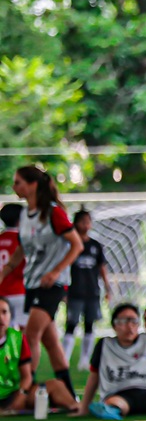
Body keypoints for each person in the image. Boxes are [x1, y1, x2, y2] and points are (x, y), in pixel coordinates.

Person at [0, 166, 84, 399]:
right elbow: (21, 249)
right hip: (32, 285)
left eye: (18, 182)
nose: (14, 187)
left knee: (30, 336)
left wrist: (56, 272)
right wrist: (5, 271)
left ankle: (23, 392)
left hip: (52, 286)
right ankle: (69, 395)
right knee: (51, 342)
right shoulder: (26, 216)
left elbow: (76, 245)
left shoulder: (53, 213)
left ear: (33, 185)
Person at [0, 297, 79, 414]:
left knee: (56, 385)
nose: (1, 317)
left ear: (10, 315)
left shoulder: (18, 339)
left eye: (4, 312)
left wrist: (21, 395)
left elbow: (27, 377)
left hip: (14, 393)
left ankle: (77, 407)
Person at [63, 209, 115, 371]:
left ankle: (85, 360)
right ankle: (64, 358)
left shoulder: (95, 246)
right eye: (83, 221)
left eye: (88, 221)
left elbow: (102, 268)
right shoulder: (69, 245)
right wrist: (63, 291)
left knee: (89, 325)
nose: (86, 225)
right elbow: (63, 268)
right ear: (76, 223)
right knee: (71, 324)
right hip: (74, 291)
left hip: (92, 292)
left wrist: (108, 288)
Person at [0, 204, 27, 330]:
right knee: (23, 330)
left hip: (2, 292)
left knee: (4, 329)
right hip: (19, 291)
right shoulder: (23, 240)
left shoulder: (1, 238)